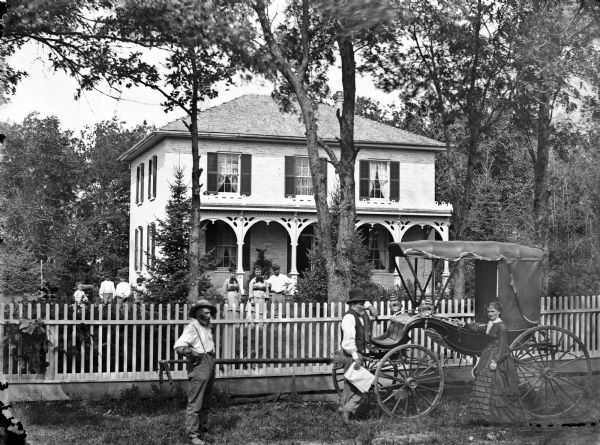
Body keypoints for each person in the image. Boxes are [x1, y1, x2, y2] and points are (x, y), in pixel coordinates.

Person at [459, 302, 525, 424]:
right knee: (483, 381)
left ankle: (498, 418)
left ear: (499, 312)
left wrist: (495, 360)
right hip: (488, 354)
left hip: (496, 357)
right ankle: (483, 417)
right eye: (489, 312)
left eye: (493, 311)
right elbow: (479, 328)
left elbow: (504, 347)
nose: (490, 314)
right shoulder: (491, 324)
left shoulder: (501, 327)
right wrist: (465, 325)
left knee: (496, 384)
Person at [174, 300, 217, 445]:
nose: (209, 315)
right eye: (206, 312)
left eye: (210, 312)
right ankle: (193, 435)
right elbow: (179, 347)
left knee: (206, 399)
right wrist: (193, 353)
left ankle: (203, 428)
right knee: (195, 401)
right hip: (200, 366)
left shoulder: (206, 327)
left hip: (210, 362)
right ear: (198, 314)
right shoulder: (192, 327)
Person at [338, 288, 379, 424]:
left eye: (363, 303)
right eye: (361, 304)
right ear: (353, 304)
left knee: (350, 385)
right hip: (350, 354)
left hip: (354, 353)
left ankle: (344, 414)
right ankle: (346, 411)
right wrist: (356, 356)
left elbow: (366, 306)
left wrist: (369, 305)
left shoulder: (358, 314)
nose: (363, 306)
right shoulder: (350, 317)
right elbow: (348, 341)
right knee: (362, 384)